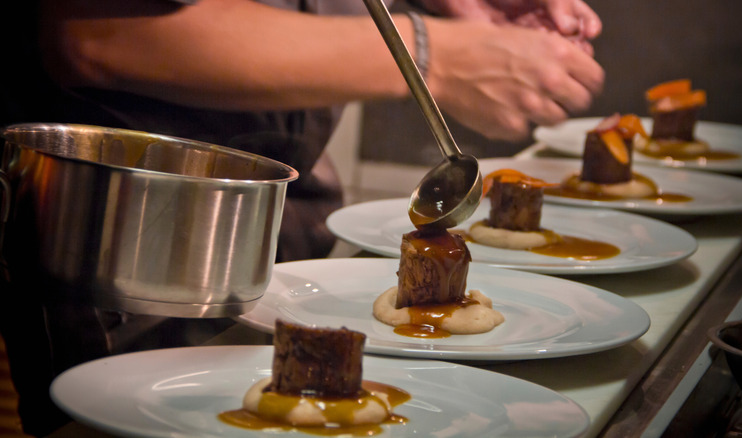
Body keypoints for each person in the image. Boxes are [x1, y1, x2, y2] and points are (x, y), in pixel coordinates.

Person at [0, 0, 603, 435]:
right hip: (142, 264)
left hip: (296, 232)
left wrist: (459, 7)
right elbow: (99, 32)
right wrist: (431, 53)